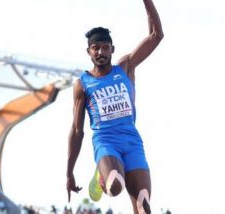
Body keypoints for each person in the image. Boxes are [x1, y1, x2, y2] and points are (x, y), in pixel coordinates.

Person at [66, 0, 163, 213]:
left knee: (144, 205)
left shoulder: (125, 68)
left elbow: (156, 35)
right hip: (106, 141)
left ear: (112, 49)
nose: (100, 51)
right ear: (89, 52)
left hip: (132, 141)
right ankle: (102, 173)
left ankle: (109, 170)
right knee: (115, 185)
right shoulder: (83, 84)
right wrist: (69, 172)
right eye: (95, 48)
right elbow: (76, 131)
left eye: (104, 47)